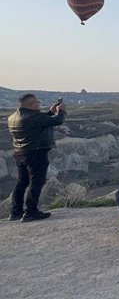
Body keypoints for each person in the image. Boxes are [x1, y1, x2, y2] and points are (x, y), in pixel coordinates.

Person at [7, 94, 66, 222]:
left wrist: (50, 112)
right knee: (36, 182)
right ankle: (31, 212)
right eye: (37, 102)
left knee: (22, 182)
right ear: (31, 104)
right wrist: (61, 111)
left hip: (19, 153)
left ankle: (16, 212)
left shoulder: (12, 117)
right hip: (36, 153)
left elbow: (38, 121)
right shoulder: (33, 117)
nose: (39, 104)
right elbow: (58, 121)